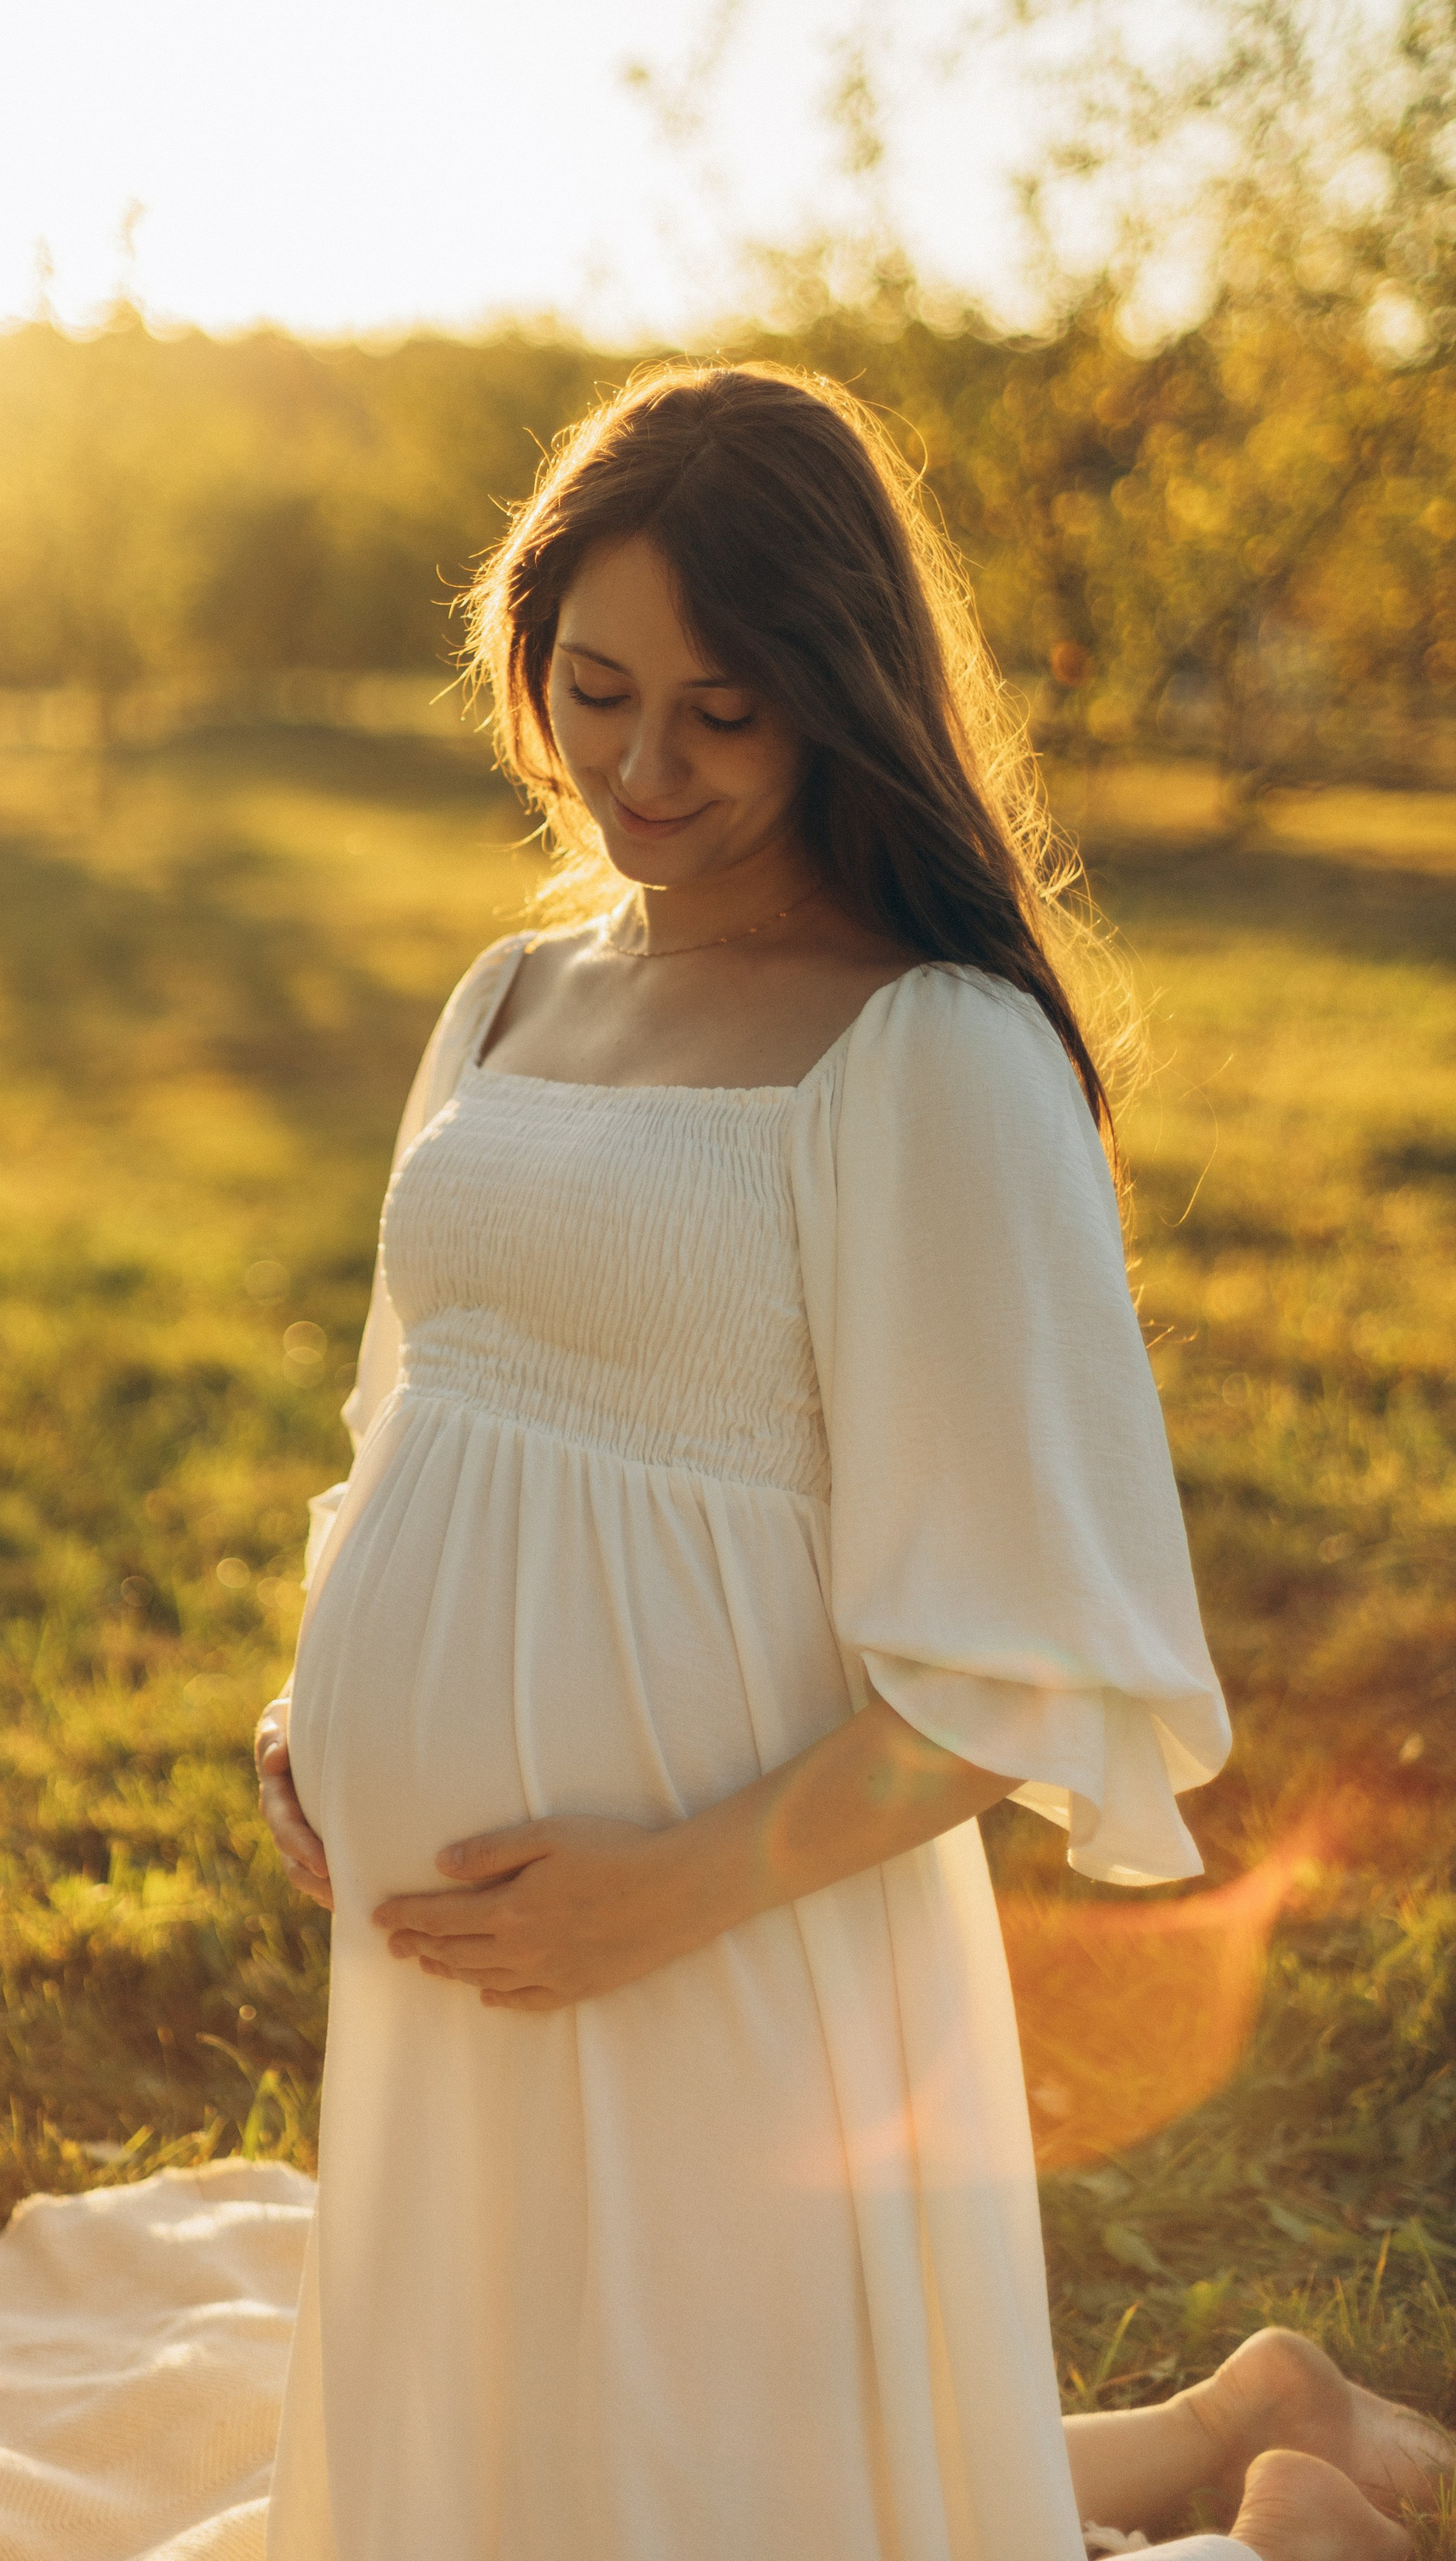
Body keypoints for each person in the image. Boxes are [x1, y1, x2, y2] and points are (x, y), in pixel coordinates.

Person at [248, 362, 1358, 2560]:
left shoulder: (926, 1052)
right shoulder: (506, 1001)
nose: (644, 769)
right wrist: (317, 1705)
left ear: (842, 696)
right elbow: (412, 1412)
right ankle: (1245, 2423)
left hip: (722, 1952)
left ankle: (1281, 2473)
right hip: (457, 1957)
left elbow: (1029, 1663)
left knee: (726, 2479)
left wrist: (651, 1901)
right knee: (533, 2465)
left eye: (724, 713)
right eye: (598, 689)